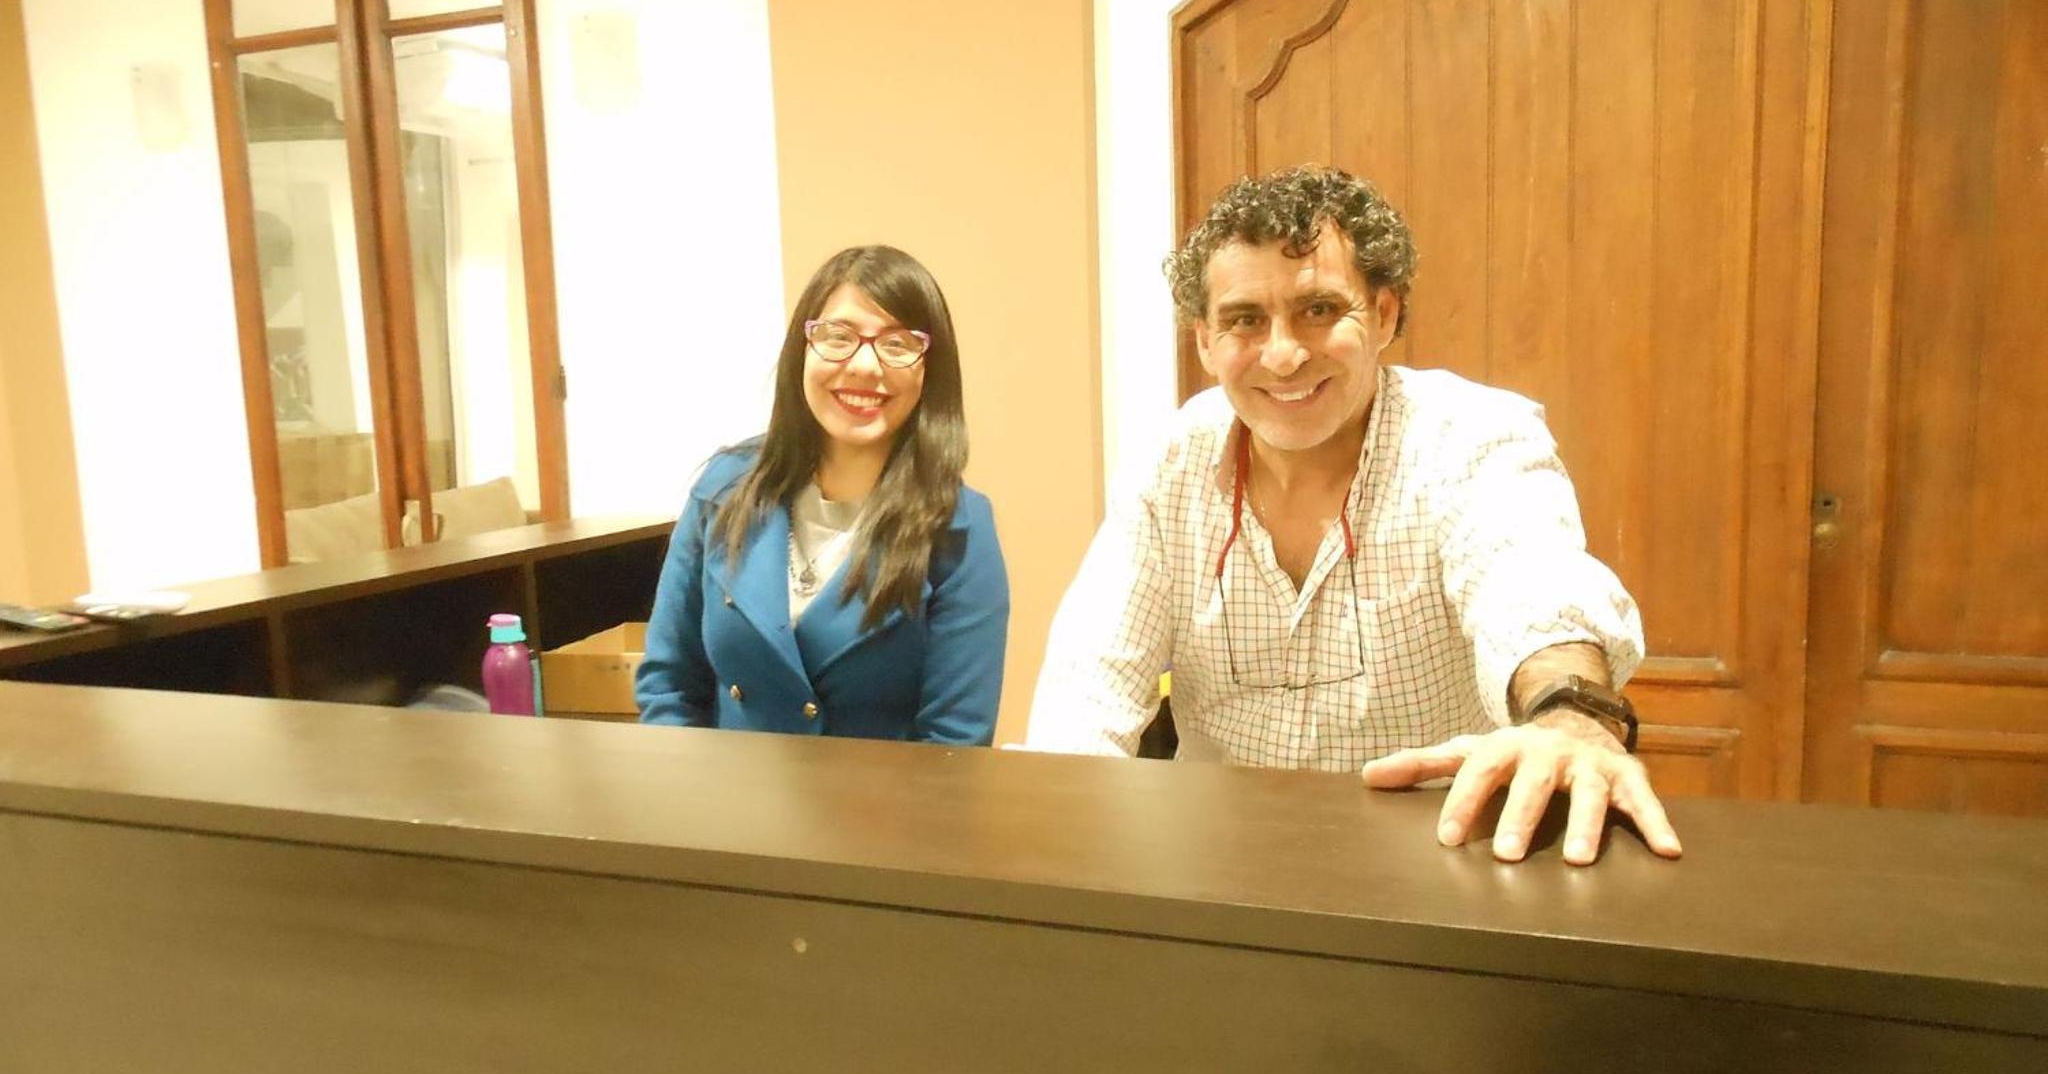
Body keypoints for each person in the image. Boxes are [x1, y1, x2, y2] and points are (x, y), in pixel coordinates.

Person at [1023, 166, 1681, 866]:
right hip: (1217, 871)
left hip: (1442, 863)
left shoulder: (1472, 440)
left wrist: (1570, 714)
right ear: (1206, 342)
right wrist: (1058, 842)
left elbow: (1533, 586)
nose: (1283, 355)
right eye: (1245, 320)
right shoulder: (1170, 466)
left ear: (1385, 315)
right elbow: (1089, 688)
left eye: (1318, 310)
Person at [636, 245, 1009, 744]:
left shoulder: (959, 528)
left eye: (897, 344)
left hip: (884, 797)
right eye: (839, 336)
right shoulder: (724, 489)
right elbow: (669, 685)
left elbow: (955, 741)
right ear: (802, 348)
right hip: (725, 791)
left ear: (929, 370)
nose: (864, 365)